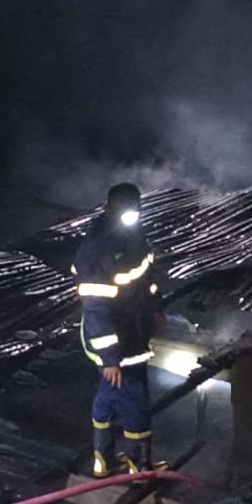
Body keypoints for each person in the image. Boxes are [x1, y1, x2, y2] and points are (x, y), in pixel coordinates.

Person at [73, 183, 163, 477]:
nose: (131, 216)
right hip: (118, 339)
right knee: (136, 400)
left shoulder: (134, 235)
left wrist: (156, 307)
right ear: (109, 208)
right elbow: (95, 309)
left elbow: (147, 276)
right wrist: (110, 357)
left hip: (134, 327)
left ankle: (103, 460)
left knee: (109, 393)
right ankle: (140, 467)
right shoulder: (97, 249)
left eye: (135, 211)